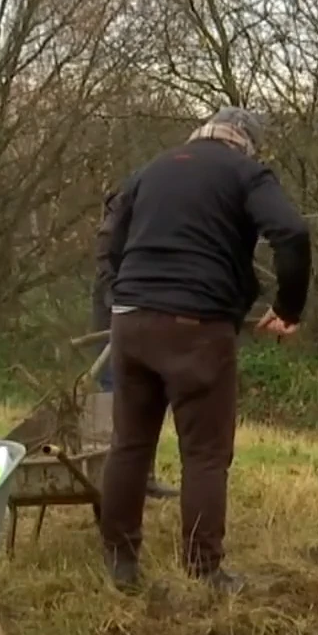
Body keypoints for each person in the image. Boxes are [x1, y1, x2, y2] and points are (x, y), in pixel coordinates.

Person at [99, 107, 311, 593]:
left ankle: (120, 563)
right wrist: (289, 309)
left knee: (129, 444)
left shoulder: (151, 169)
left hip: (129, 320)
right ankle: (204, 569)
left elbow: (111, 233)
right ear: (246, 142)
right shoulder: (246, 172)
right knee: (205, 454)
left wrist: (121, 290)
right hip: (196, 326)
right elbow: (292, 232)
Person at [92, 184, 179, 500]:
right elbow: (106, 269)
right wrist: (121, 305)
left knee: (151, 399)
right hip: (116, 323)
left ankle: (145, 476)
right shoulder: (119, 217)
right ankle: (121, 479)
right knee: (118, 401)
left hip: (143, 320)